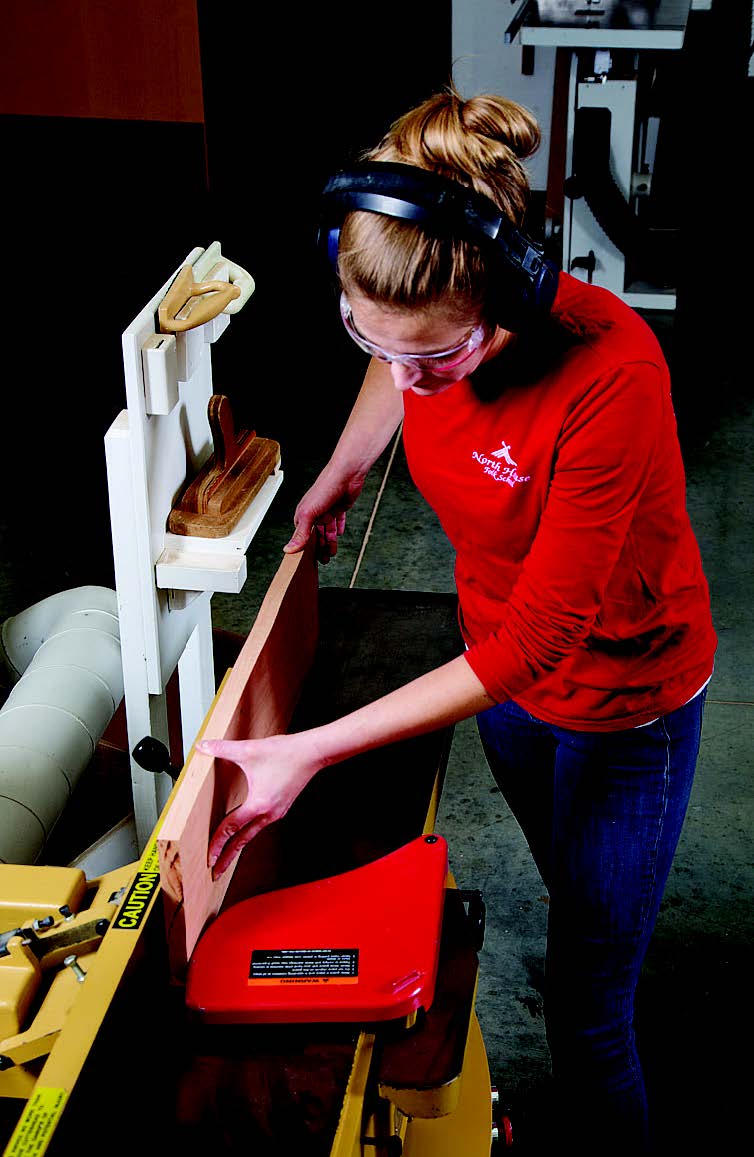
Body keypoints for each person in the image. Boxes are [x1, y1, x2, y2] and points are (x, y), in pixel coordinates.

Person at [196, 86, 717, 1154]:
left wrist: (307, 751)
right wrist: (344, 467)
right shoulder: (411, 337)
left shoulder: (607, 378)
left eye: (438, 359)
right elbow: (396, 366)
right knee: (573, 890)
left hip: (626, 703)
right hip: (506, 690)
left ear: (510, 305)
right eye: (369, 336)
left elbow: (539, 642)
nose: (406, 377)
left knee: (588, 1006)